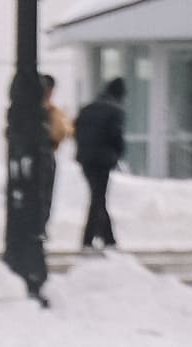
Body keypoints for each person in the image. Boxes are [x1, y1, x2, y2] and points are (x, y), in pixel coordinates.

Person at [78, 74, 129, 248]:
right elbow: (116, 136)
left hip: (86, 159)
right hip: (102, 160)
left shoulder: (87, 108)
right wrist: (119, 154)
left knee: (98, 197)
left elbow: (77, 129)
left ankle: (108, 238)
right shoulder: (115, 111)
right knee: (98, 198)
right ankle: (88, 238)